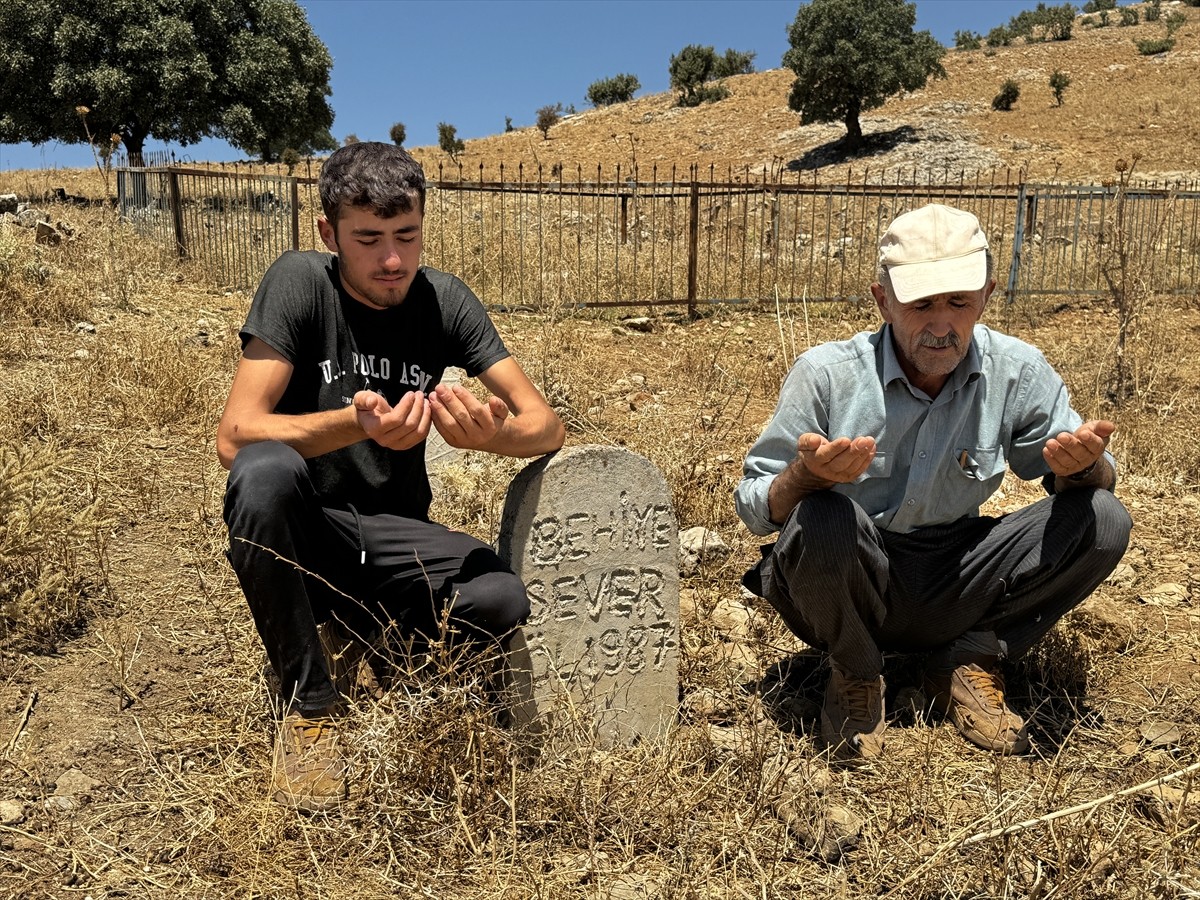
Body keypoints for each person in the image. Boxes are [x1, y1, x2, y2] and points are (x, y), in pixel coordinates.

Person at [216, 142, 565, 811]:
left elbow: (546, 425)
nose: (392, 260)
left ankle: (374, 634)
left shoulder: (443, 300)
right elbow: (234, 435)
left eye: (407, 236)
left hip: (396, 532)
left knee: (500, 596)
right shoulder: (298, 283)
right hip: (308, 526)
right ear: (329, 233)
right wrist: (354, 426)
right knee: (262, 475)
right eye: (369, 239)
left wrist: (493, 437)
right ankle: (309, 706)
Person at [735, 203, 1131, 760]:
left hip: (958, 571)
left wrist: (1084, 467)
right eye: (921, 304)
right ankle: (855, 671)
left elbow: (1087, 478)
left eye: (959, 302)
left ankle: (967, 657)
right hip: (853, 575)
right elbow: (755, 506)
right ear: (883, 301)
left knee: (1103, 518)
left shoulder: (1018, 370)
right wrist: (803, 478)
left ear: (987, 297)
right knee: (823, 517)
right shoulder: (827, 374)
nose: (941, 325)